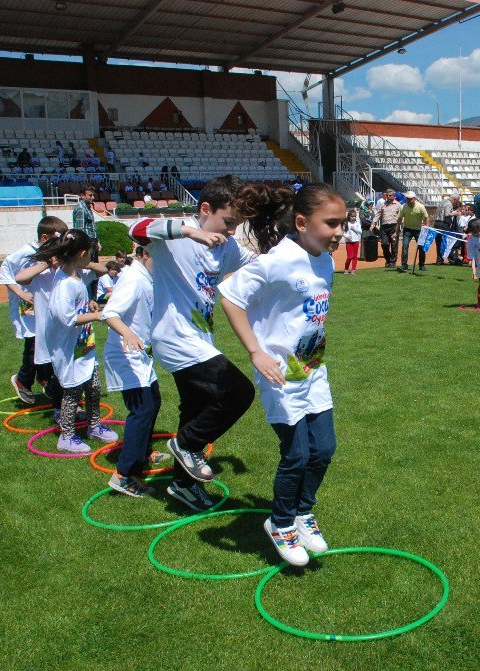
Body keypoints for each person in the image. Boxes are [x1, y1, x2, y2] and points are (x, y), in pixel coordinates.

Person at [220, 182, 345, 567]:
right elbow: (230, 297)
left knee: (324, 449)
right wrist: (256, 352)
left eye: (344, 223)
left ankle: (303, 512)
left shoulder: (323, 257)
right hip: (279, 377)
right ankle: (280, 522)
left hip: (311, 370)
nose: (340, 231)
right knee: (296, 454)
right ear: (303, 221)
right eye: (333, 223)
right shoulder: (275, 260)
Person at [127, 175, 264, 510]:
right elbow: (135, 230)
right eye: (228, 222)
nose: (232, 231)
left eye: (237, 224)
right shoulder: (174, 236)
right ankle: (186, 445)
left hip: (200, 338)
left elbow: (258, 265)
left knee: (195, 409)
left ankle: (182, 485)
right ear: (205, 209)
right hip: (176, 339)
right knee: (239, 392)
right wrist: (192, 232)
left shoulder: (226, 246)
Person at [30, 230, 119, 452]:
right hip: (68, 349)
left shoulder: (76, 277)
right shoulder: (63, 284)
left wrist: (89, 304)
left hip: (83, 346)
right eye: (90, 253)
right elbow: (67, 318)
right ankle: (66, 436)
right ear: (81, 254)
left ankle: (94, 425)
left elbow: (76, 307)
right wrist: (98, 316)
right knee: (72, 392)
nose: (92, 257)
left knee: (94, 387)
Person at [101, 246, 164, 497]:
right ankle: (124, 474)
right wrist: (127, 332)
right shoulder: (133, 278)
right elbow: (109, 313)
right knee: (142, 409)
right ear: (146, 254)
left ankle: (144, 452)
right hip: (126, 355)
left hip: (140, 353)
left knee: (154, 402)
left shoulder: (145, 277)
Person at [0, 216, 69, 405]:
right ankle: (23, 380)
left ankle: (46, 379)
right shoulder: (26, 252)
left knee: (45, 342)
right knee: (33, 343)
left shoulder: (51, 254)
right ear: (45, 238)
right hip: (27, 305)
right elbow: (6, 272)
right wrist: (20, 293)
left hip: (44, 305)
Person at [72, 186, 101, 295]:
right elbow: (81, 230)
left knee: (94, 271)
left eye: (93, 195)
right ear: (82, 195)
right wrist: (87, 245)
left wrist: (97, 241)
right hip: (87, 244)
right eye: (90, 195)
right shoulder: (80, 208)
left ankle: (92, 297)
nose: (92, 197)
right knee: (88, 270)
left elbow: (91, 227)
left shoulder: (87, 207)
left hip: (92, 242)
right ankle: (88, 297)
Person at [396, 191, 429, 271]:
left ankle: (422, 264)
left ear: (414, 199)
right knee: (405, 246)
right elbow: (399, 218)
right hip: (407, 229)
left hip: (419, 230)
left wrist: (427, 229)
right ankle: (404, 265)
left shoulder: (421, 207)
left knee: (421, 247)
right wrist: (397, 230)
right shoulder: (403, 207)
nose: (409, 200)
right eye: (407, 199)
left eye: (410, 199)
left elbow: (426, 217)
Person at [375, 188, 401, 268]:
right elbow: (378, 214)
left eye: (390, 195)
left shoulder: (398, 205)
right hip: (384, 227)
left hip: (394, 226)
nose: (388, 197)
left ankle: (392, 262)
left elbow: (401, 217)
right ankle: (388, 259)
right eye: (387, 195)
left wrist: (399, 228)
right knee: (384, 244)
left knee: (394, 245)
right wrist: (373, 223)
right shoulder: (383, 204)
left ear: (394, 196)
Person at [438, 192, 464, 265]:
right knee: (446, 242)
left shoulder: (443, 202)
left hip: (438, 223)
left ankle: (439, 259)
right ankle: (449, 259)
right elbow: (447, 214)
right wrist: (454, 213)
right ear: (455, 199)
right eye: (457, 201)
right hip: (443, 224)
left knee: (439, 242)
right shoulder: (449, 204)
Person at [343, 207, 362, 274]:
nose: (353, 218)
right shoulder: (346, 223)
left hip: (356, 241)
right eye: (352, 216)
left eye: (355, 216)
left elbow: (360, 232)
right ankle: (346, 268)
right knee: (349, 256)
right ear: (349, 216)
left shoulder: (357, 223)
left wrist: (355, 229)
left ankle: (353, 269)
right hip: (349, 242)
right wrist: (347, 237)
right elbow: (343, 232)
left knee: (354, 256)